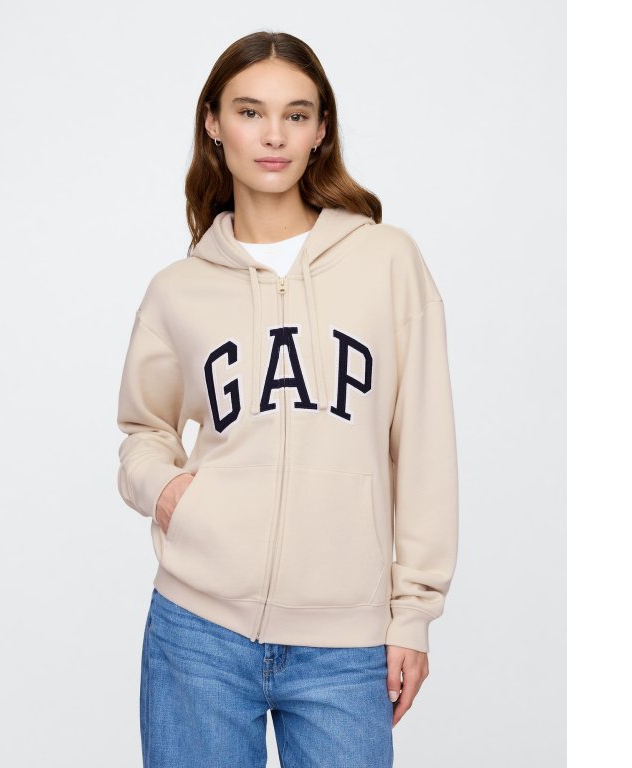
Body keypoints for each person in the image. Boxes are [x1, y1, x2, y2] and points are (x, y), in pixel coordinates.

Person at [116, 30, 459, 767]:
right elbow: (143, 429)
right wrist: (166, 490)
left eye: (296, 115)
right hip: (197, 629)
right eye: (250, 112)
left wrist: (413, 615)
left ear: (320, 130)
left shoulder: (387, 261)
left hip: (347, 641)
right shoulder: (178, 290)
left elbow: (425, 446)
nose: (273, 135)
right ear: (214, 123)